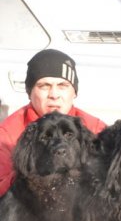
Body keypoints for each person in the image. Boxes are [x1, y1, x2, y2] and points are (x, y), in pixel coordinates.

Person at [0, 48, 107, 196]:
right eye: (44, 86)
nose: (54, 95)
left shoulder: (95, 128)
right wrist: (27, 174)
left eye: (62, 86)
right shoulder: (6, 135)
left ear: (74, 92)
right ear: (30, 92)